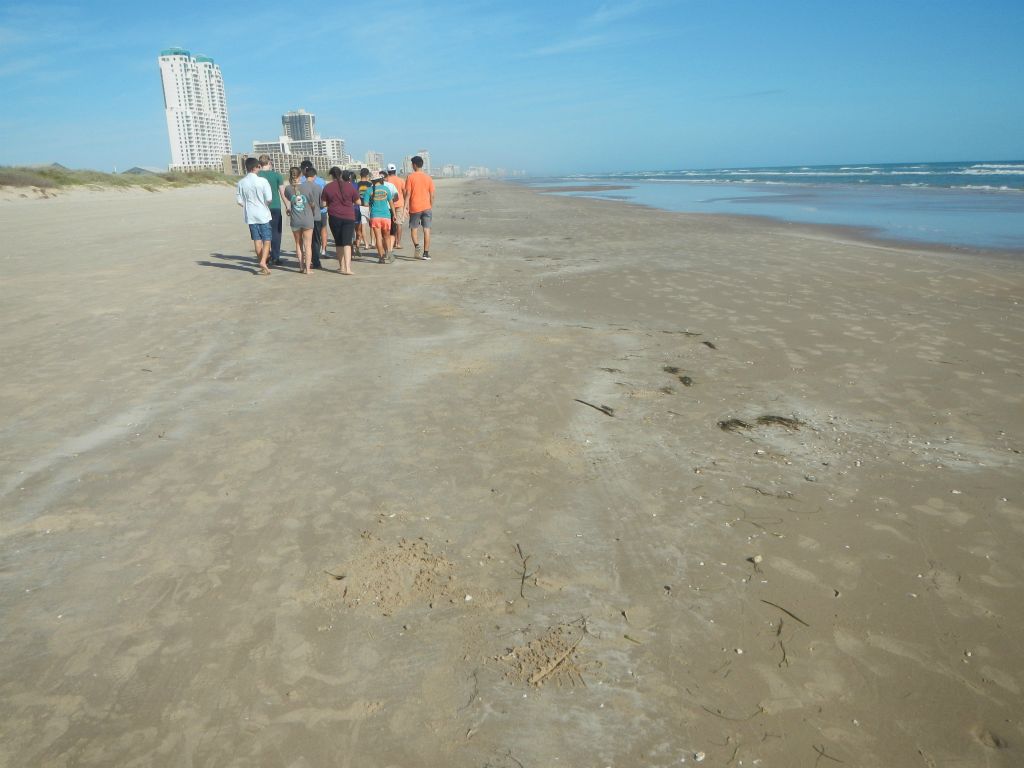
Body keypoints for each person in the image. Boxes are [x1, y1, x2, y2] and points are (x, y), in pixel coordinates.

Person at [236, 156, 274, 275]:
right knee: (267, 240)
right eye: (258, 166)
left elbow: (239, 200)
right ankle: (263, 261)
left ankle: (262, 266)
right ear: (256, 167)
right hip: (262, 213)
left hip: (250, 215)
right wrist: (264, 205)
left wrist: (247, 206)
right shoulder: (262, 181)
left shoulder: (241, 182)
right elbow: (269, 198)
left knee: (257, 240)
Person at [322, 167, 360, 275]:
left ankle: (342, 267)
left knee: (338, 243)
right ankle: (348, 268)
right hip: (349, 216)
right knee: (347, 243)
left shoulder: (327, 187)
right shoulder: (349, 186)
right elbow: (358, 201)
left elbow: (323, 204)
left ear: (331, 176)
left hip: (334, 217)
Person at [283, 166, 315, 274]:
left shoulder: (287, 188)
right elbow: (312, 203)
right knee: (308, 245)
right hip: (307, 219)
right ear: (301, 175)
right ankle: (308, 269)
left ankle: (301, 266)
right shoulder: (307, 187)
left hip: (295, 219)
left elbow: (289, 200)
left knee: (298, 243)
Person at [405, 155, 435, 260]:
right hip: (427, 207)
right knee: (426, 229)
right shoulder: (428, 177)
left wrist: (405, 207)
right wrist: (430, 205)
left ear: (414, 165)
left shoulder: (410, 177)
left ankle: (417, 246)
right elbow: (432, 194)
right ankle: (426, 253)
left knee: (414, 228)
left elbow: (407, 194)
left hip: (415, 207)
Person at [257, 155, 286, 265]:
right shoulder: (277, 175)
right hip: (275, 207)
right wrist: (288, 206)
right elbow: (282, 193)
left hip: (261, 207)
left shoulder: (257, 175)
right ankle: (275, 257)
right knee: (276, 233)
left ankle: (265, 256)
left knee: (264, 232)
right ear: (269, 163)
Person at [361, 175, 395, 264]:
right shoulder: (386, 189)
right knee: (387, 236)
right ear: (380, 179)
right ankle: (389, 252)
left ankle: (381, 258)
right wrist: (394, 214)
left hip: (375, 216)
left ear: (372, 181)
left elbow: (365, 204)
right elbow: (391, 203)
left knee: (378, 238)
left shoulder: (369, 190)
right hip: (386, 216)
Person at [301, 165, 325, 269]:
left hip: (304, 216)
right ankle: (316, 261)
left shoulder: (300, 187)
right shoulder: (318, 187)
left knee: (305, 240)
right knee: (316, 240)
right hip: (316, 216)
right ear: (314, 176)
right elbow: (321, 204)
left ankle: (306, 261)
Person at [385, 163, 407, 250]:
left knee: (390, 225)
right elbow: (404, 193)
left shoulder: (386, 181)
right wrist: (406, 205)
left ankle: (391, 242)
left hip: (388, 205)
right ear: (395, 171)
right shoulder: (401, 180)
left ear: (388, 171)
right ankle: (398, 243)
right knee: (399, 224)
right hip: (399, 204)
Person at [356, 168, 373, 250]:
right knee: (372, 225)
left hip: (360, 206)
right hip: (369, 206)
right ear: (367, 175)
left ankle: (366, 244)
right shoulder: (370, 184)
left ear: (360, 175)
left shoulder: (357, 184)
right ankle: (373, 242)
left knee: (363, 225)